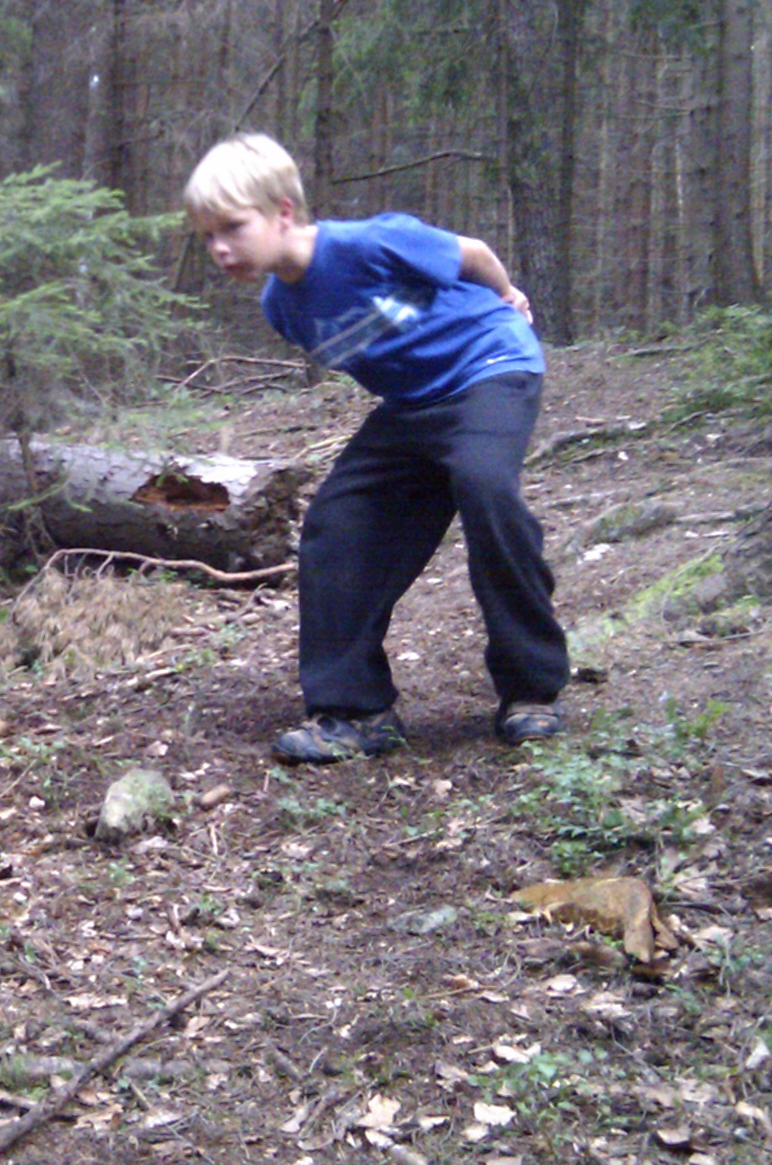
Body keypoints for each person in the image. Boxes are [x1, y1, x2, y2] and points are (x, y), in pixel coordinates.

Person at [184, 133, 569, 763]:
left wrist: (508, 297)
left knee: (483, 485)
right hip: (414, 406)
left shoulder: (368, 244)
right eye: (207, 236)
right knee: (336, 522)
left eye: (232, 227)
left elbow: (473, 255)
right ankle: (357, 711)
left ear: (283, 212)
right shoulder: (281, 307)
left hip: (490, 366)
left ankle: (531, 688)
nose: (220, 248)